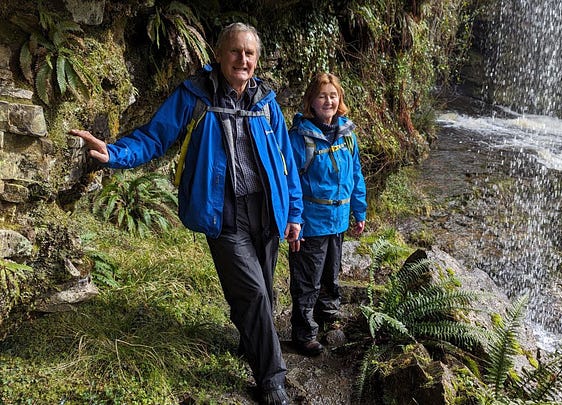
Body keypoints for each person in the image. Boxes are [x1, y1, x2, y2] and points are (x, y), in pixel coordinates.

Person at [69, 22, 301, 405]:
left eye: (249, 53)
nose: (242, 59)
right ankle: (272, 380)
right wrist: (115, 153)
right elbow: (154, 136)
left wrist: (294, 213)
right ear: (219, 54)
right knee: (255, 293)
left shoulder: (266, 101)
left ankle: (251, 344)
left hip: (267, 213)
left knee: (262, 292)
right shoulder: (194, 95)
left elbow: (286, 163)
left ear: (256, 59)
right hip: (223, 214)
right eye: (235, 51)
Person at [287, 72, 367, 356]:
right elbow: (289, 183)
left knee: (331, 275)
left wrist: (359, 211)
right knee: (307, 280)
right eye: (322, 96)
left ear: (340, 100)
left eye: (333, 96)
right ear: (311, 100)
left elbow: (355, 174)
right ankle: (304, 334)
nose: (328, 101)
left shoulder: (347, 135)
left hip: (338, 221)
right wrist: (293, 220)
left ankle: (328, 320)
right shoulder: (299, 138)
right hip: (311, 222)